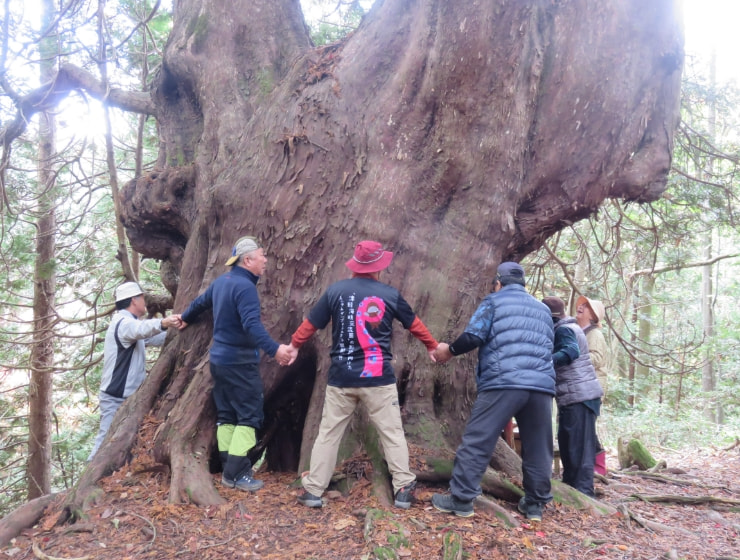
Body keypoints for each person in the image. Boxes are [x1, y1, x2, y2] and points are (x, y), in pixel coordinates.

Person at [289, 240, 439, 510]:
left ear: (356, 265)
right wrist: (431, 345)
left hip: (341, 379)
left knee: (328, 434)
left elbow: (310, 325)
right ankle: (403, 488)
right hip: (378, 379)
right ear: (379, 267)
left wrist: (293, 346)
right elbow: (413, 324)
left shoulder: (336, 291)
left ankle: (313, 491)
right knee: (391, 434)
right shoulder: (389, 294)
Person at [431, 262, 555, 521]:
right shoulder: (543, 310)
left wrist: (448, 351)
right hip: (541, 387)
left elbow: (474, 336)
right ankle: (534, 506)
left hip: (503, 382)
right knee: (538, 448)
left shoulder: (494, 302)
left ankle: (461, 499)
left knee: (479, 439)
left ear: (498, 283)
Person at [179, 236, 295, 492]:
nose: (265, 260)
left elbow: (199, 303)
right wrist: (275, 350)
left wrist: (185, 318)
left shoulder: (222, 282)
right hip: (240, 363)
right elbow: (251, 325)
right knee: (249, 416)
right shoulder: (244, 288)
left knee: (227, 415)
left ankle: (226, 467)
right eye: (261, 255)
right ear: (248, 260)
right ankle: (237, 473)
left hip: (219, 362)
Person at [88, 282, 181, 461]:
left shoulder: (129, 325)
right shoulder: (123, 323)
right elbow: (141, 329)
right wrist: (164, 322)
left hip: (127, 395)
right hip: (115, 395)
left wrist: (178, 329)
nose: (145, 301)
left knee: (126, 440)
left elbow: (155, 337)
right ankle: (89, 476)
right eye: (142, 297)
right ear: (133, 300)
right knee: (106, 438)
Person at [542, 296, 603, 497]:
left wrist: (545, 361)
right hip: (574, 396)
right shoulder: (567, 327)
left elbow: (570, 351)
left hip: (580, 397)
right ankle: (572, 489)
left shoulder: (564, 329)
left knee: (579, 448)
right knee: (569, 444)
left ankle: (584, 494)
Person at [575, 295, 608, 475]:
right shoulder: (580, 332)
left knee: (587, 428)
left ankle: (599, 468)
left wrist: (572, 356)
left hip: (591, 389)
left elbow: (596, 358)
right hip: (583, 388)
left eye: (586, 306)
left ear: (593, 315)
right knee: (583, 428)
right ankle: (591, 468)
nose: (581, 307)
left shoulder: (594, 334)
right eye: (581, 304)